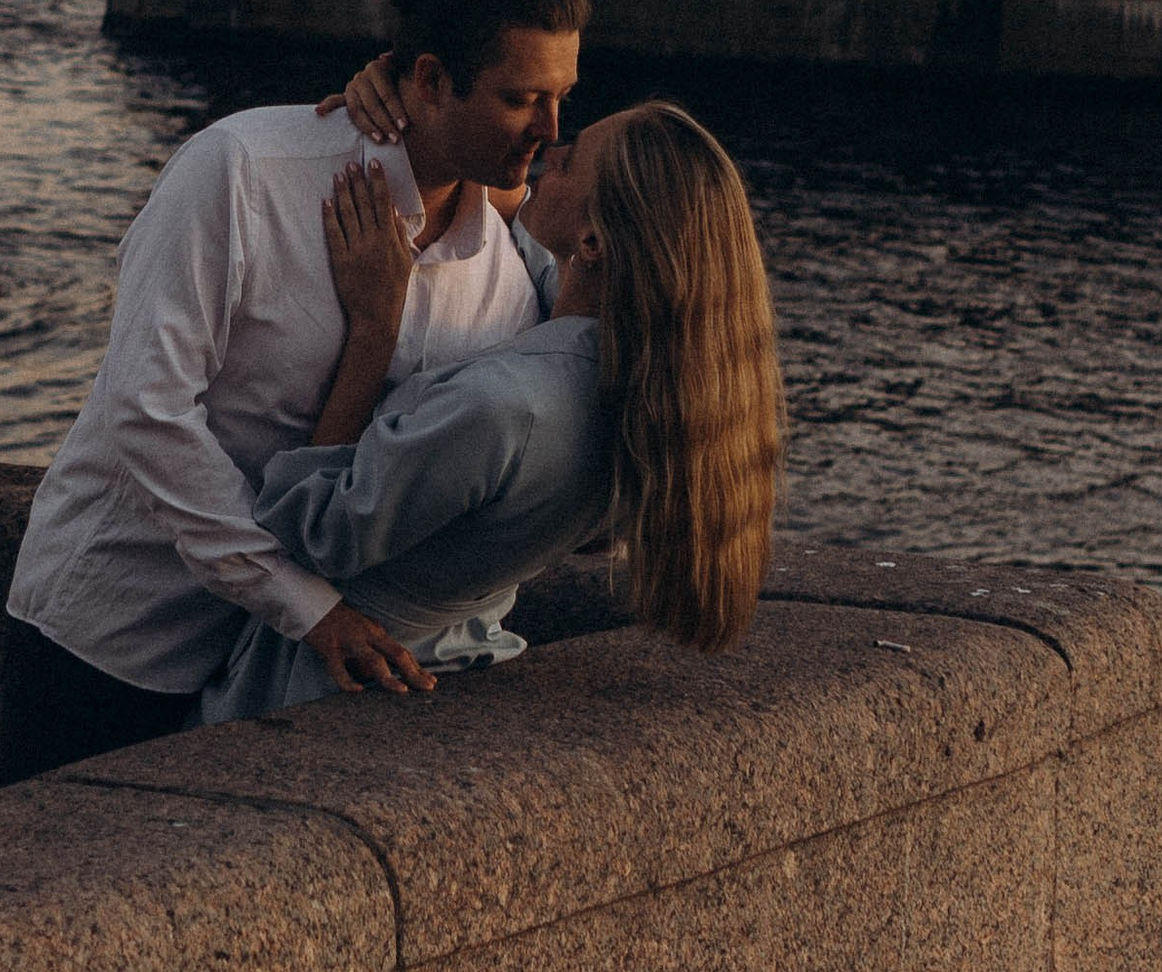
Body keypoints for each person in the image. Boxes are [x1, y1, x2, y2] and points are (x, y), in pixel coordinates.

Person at [0, 0, 587, 773]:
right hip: (119, 637)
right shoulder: (243, 171)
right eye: (521, 97)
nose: (551, 126)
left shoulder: (505, 278)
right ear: (427, 79)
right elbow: (146, 409)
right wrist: (305, 606)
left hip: (278, 681)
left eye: (562, 95)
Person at [197, 96, 784, 720]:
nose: (549, 148)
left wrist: (374, 328)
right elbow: (542, 253)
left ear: (593, 241)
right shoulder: (656, 395)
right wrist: (420, 101)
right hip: (462, 665)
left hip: (330, 690)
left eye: (571, 159)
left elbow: (310, 530)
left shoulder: (504, 408)